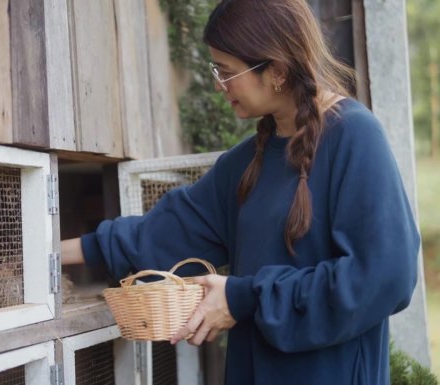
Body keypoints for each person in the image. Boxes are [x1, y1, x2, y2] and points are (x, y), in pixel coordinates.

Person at [61, 0, 420, 384]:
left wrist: (243, 298)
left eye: (227, 71)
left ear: (277, 71)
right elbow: (161, 234)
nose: (219, 83)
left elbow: (385, 277)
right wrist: (48, 255)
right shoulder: (245, 163)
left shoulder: (355, 137)